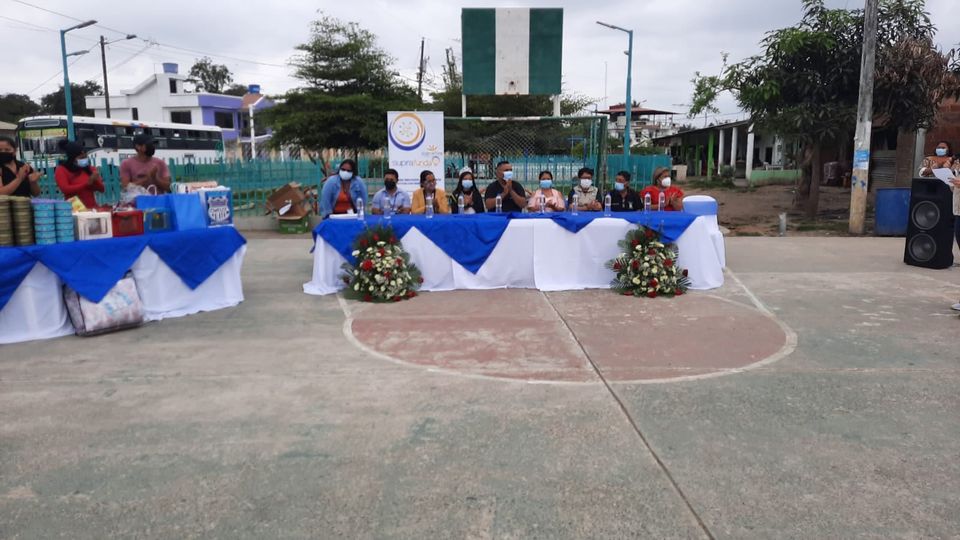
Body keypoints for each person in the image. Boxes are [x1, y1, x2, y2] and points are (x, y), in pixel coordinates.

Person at [54, 141, 104, 209]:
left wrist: (95, 180)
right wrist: (86, 184)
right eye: (81, 158)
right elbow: (65, 189)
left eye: (85, 157)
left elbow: (102, 189)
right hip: (74, 208)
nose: (84, 160)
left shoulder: (90, 169)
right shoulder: (62, 170)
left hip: (92, 209)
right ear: (72, 158)